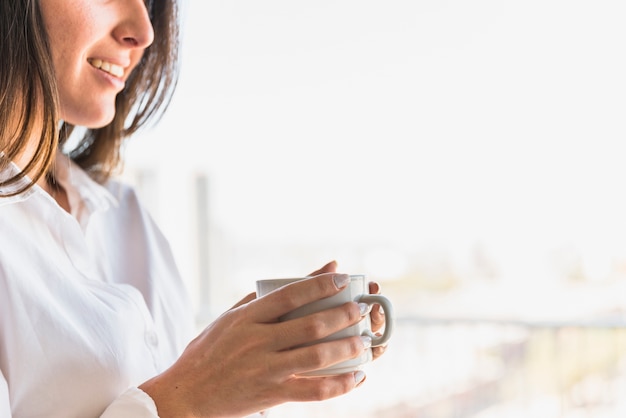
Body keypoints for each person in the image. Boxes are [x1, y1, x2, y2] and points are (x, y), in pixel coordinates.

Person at [0, 1, 388, 417]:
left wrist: (245, 372)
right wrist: (191, 395)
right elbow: (186, 398)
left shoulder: (125, 218)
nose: (144, 32)